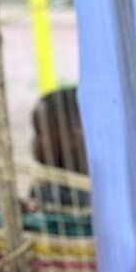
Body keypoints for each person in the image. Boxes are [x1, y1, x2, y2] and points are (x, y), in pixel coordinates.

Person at [29, 87, 92, 235]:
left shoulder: (86, 191)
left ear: (72, 137)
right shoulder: (45, 183)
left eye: (39, 133)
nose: (33, 142)